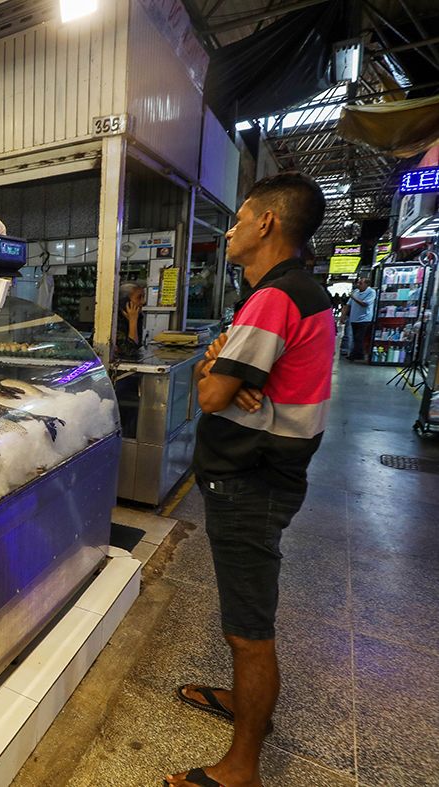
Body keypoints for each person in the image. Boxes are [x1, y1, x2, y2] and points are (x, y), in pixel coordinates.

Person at [166, 172, 332, 787]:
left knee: (247, 629)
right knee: (246, 615)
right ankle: (243, 702)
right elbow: (221, 371)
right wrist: (224, 371)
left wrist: (221, 378)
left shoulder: (275, 298)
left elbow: (210, 392)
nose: (230, 230)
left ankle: (242, 768)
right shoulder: (296, 293)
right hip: (268, 474)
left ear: (267, 223)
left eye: (238, 219)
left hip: (251, 481)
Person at [347, 277, 375, 361]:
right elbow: (348, 304)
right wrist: (344, 315)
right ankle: (359, 354)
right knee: (356, 338)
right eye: (358, 283)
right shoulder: (356, 292)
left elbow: (365, 304)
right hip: (354, 318)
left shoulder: (371, 292)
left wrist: (353, 297)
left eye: (360, 283)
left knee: (359, 337)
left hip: (364, 319)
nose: (358, 285)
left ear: (367, 284)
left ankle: (355, 355)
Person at [116, 281, 146, 359]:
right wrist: (133, 321)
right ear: (126, 301)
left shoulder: (138, 317)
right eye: (139, 297)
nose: (143, 302)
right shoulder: (114, 320)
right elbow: (130, 350)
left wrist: (134, 320)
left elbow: (137, 346)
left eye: (143, 297)